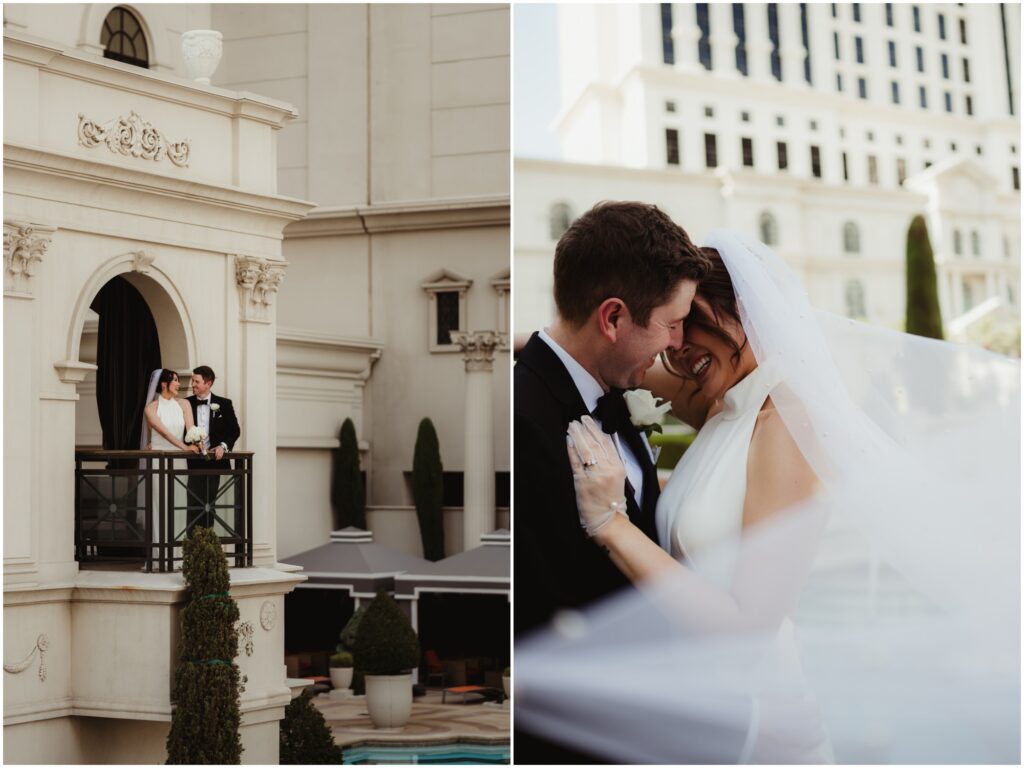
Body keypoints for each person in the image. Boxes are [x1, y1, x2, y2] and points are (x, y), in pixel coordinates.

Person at [515, 231, 1020, 764]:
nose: (678, 347)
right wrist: (532, 343)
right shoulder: (719, 396)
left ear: (745, 312)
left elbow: (746, 626)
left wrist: (610, 522)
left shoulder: (785, 420)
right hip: (685, 704)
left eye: (691, 322)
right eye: (673, 326)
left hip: (756, 711)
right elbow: (592, 353)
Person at [514, 201, 710, 763]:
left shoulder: (613, 395)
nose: (676, 343)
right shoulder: (524, 421)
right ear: (614, 318)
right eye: (671, 324)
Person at [185, 365, 241, 531]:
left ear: (208, 383)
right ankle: (192, 541)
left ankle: (207, 539)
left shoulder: (224, 404)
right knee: (192, 503)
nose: (192, 384)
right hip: (194, 462)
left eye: (196, 381)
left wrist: (223, 446)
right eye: (192, 381)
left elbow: (235, 430)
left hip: (216, 462)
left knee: (209, 504)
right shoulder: (186, 403)